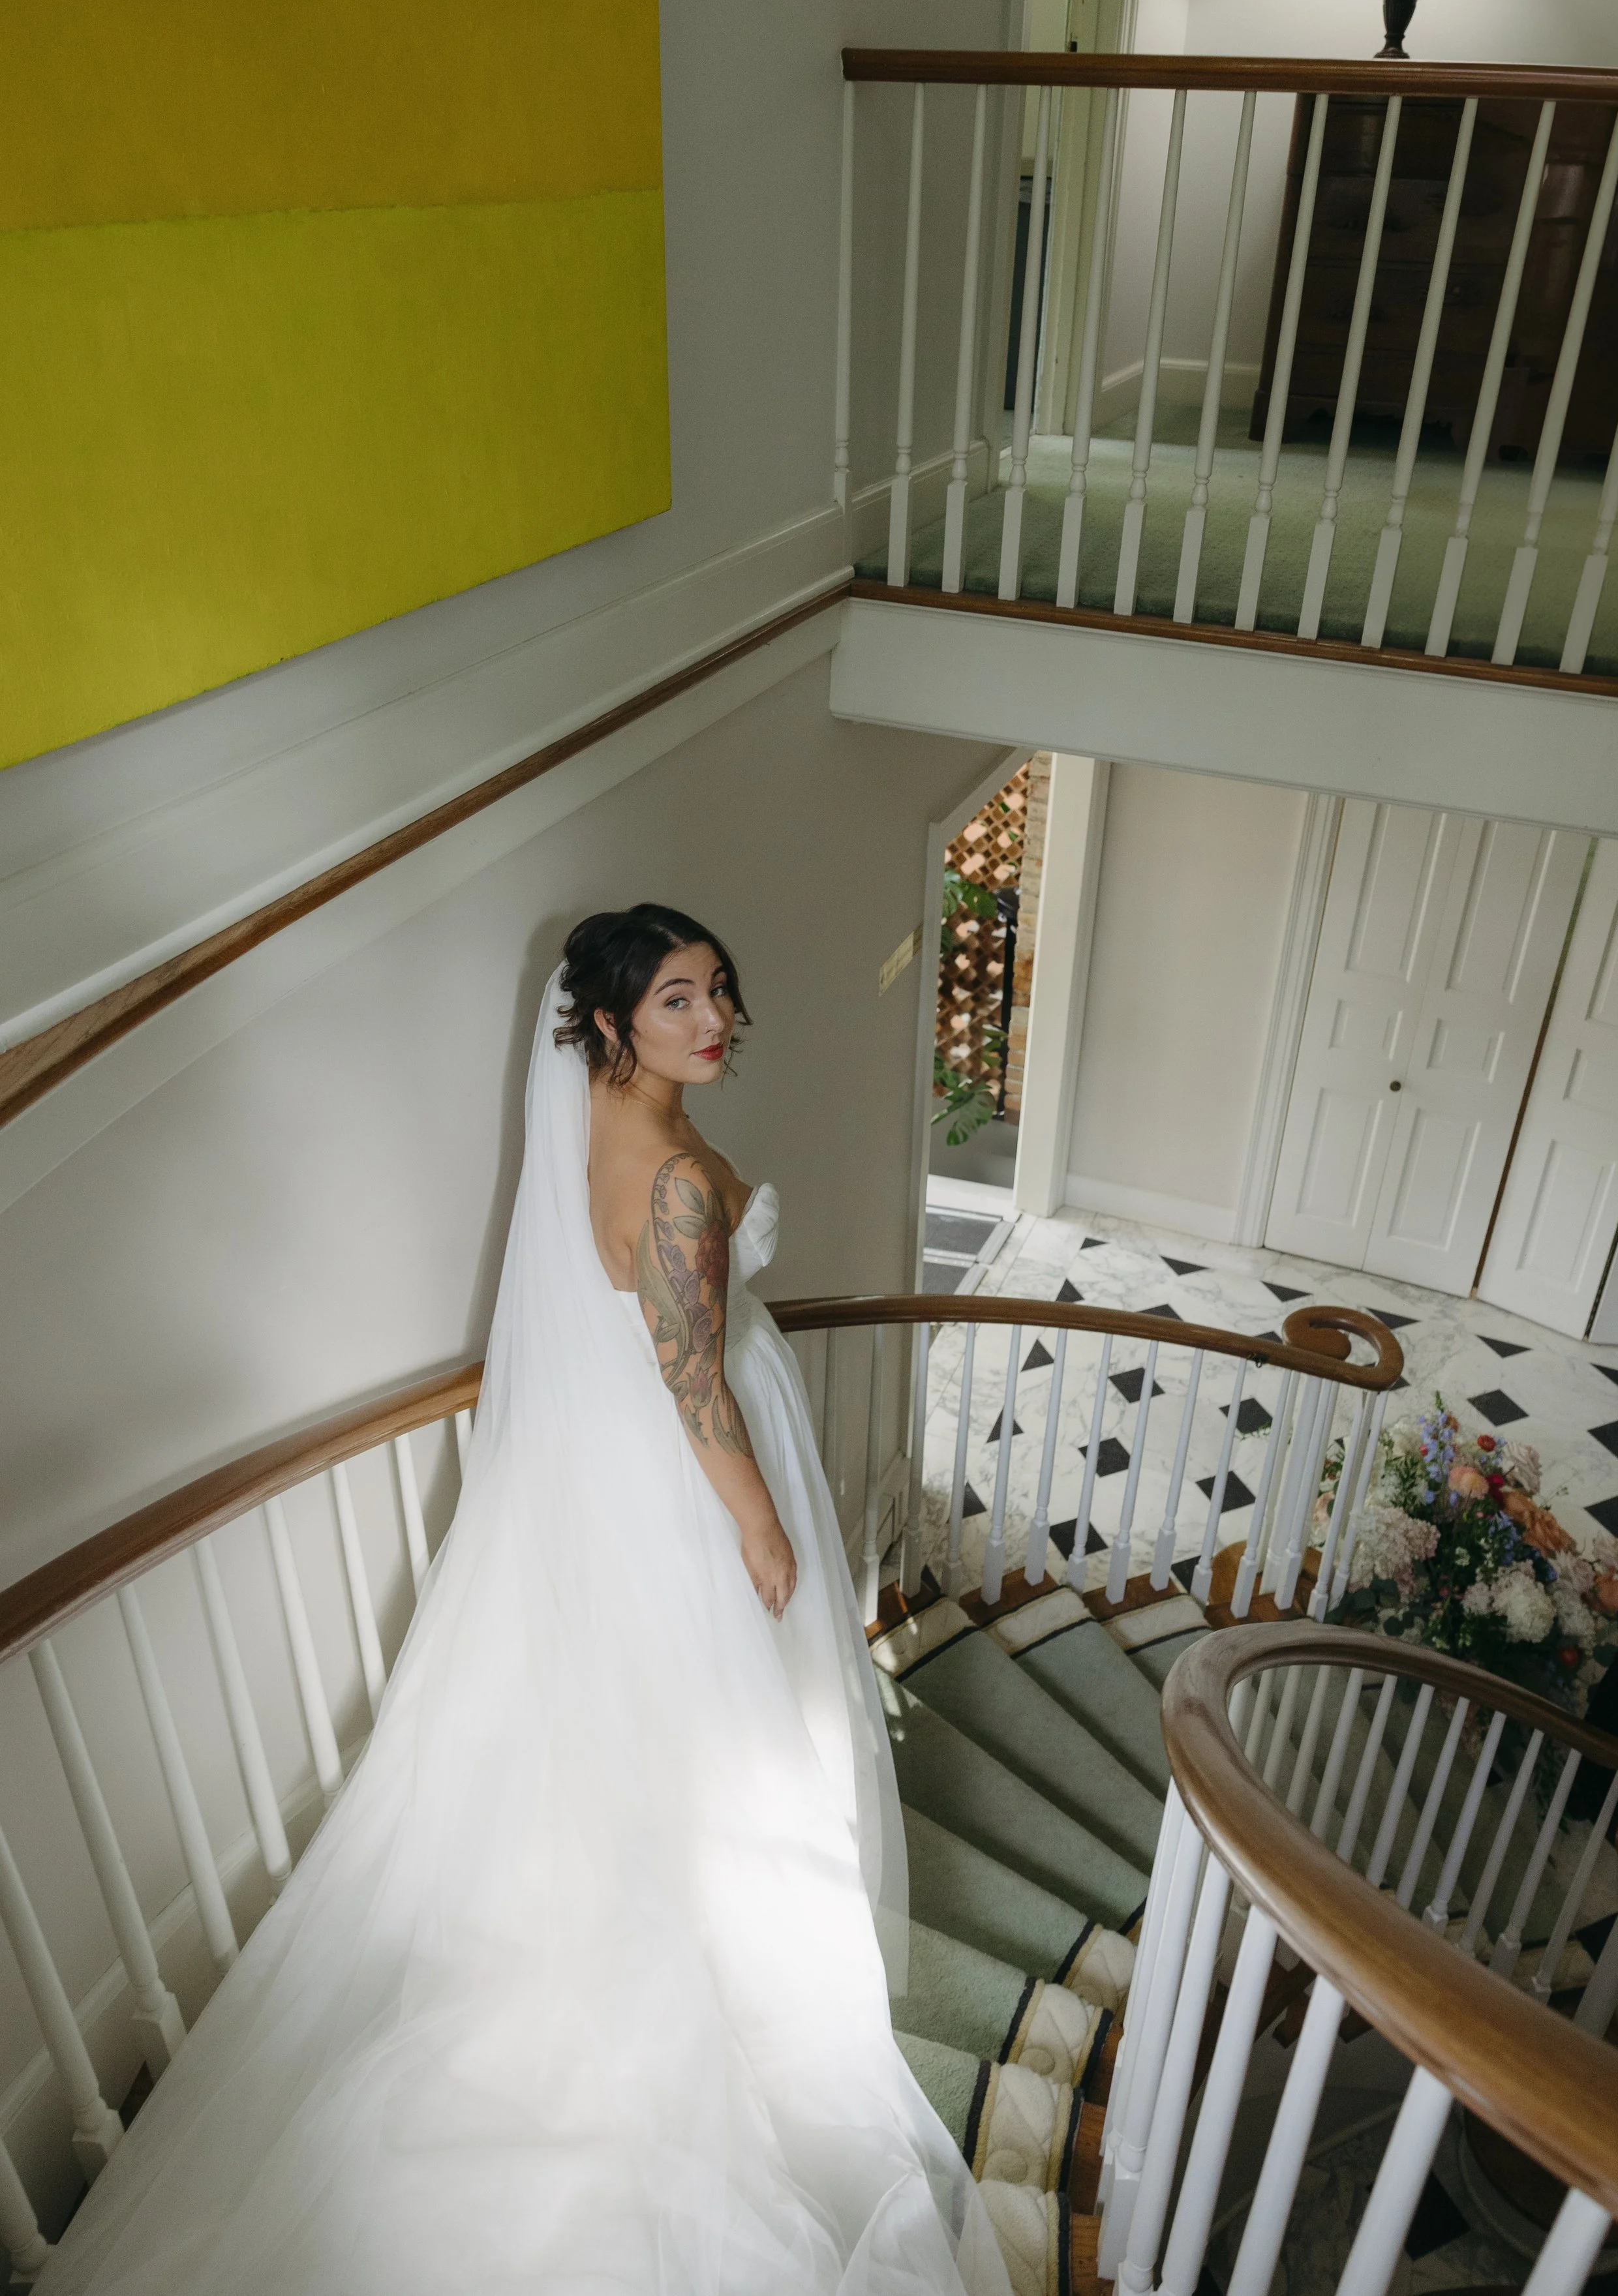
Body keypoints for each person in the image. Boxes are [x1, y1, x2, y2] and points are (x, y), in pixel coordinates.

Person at [38, 903, 1005, 2295]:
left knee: (629, 1742)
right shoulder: (668, 1176)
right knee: (719, 1745)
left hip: (613, 1468)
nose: (712, 1015)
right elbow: (692, 1375)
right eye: (676, 999)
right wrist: (760, 1527)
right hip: (688, 1487)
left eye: (716, 989)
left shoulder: (598, 1133)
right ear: (609, 1024)